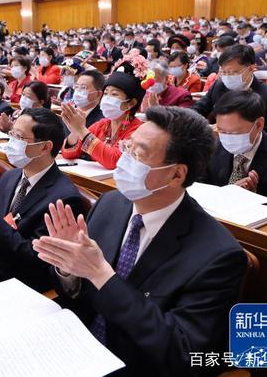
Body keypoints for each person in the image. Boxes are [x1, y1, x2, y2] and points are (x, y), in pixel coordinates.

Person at [33, 106, 246, 377]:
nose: (123, 160)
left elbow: (184, 352)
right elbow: (78, 294)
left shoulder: (218, 255)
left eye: (138, 154)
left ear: (177, 174)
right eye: (126, 147)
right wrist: (68, 268)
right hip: (76, 349)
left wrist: (101, 275)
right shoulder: (111, 204)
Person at [0, 108, 84, 292]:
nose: (11, 143)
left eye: (19, 137)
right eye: (11, 134)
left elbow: (33, 258)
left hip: (16, 284)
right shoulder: (10, 177)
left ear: (44, 147)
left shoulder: (64, 197)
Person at [203, 91, 267, 214]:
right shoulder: (213, 147)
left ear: (259, 125)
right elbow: (200, 188)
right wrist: (228, 194)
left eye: (235, 133)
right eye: (222, 131)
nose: (227, 138)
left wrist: (253, 199)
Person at [61, 72, 144, 168]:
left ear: (131, 103)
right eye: (105, 93)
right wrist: (75, 132)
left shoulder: (138, 130)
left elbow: (114, 161)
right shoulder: (102, 124)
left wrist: (81, 129)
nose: (107, 98)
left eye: (114, 94)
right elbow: (69, 154)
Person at [192, 44, 267, 133]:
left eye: (233, 72)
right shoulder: (219, 85)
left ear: (251, 68)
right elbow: (198, 108)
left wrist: (229, 130)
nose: (227, 77)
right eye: (224, 72)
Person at [62, 70, 105, 135]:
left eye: (83, 87)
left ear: (98, 94)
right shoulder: (70, 112)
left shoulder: (102, 119)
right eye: (76, 86)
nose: (78, 91)